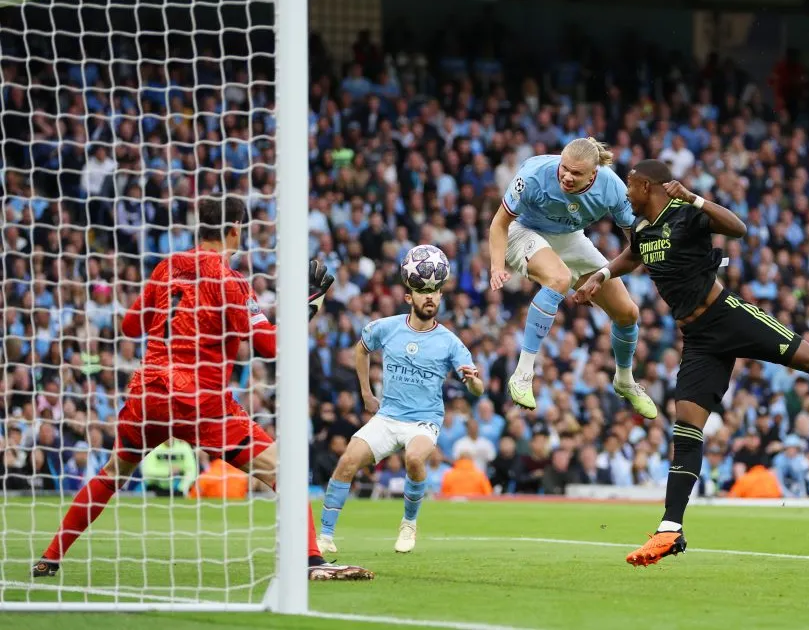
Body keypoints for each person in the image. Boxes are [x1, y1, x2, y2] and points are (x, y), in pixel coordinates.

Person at [575, 159, 809, 567]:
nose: (626, 192)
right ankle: (670, 530)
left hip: (728, 316)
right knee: (686, 427)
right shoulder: (642, 228)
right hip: (697, 339)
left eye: (631, 185)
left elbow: (737, 228)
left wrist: (695, 197)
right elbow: (632, 255)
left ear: (647, 186)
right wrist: (603, 275)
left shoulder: (686, 213)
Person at [33, 196, 372, 582]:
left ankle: (50, 557)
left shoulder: (166, 267)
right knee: (288, 472)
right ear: (234, 230)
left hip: (148, 394)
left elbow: (129, 328)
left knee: (111, 474)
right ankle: (312, 561)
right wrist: (307, 308)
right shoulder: (230, 281)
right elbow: (270, 347)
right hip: (200, 400)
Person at [488, 137, 656, 419]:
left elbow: (635, 238)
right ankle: (522, 373)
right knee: (559, 278)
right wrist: (496, 266)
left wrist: (652, 264)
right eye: (564, 168)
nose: (567, 176)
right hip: (524, 232)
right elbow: (499, 223)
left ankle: (624, 380)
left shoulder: (611, 186)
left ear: (594, 173)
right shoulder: (533, 175)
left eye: (576, 173)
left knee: (628, 313)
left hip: (570, 239)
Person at [317, 282, 485, 554]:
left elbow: (478, 388)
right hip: (388, 417)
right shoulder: (387, 327)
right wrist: (366, 393)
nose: (429, 296)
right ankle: (324, 536)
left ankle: (408, 523)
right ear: (409, 297)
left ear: (441, 297)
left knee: (415, 458)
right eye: (423, 291)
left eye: (434, 292)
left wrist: (473, 381)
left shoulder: (450, 342)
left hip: (424, 420)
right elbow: (360, 350)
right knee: (347, 461)